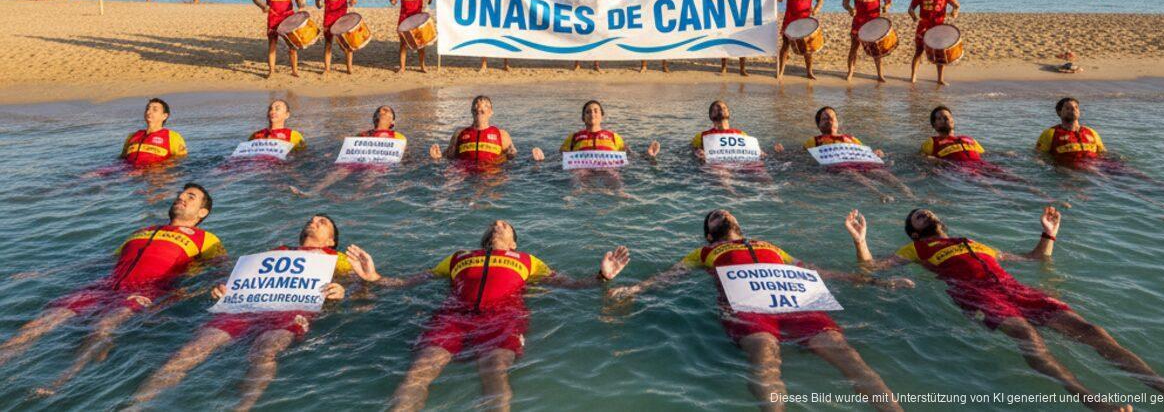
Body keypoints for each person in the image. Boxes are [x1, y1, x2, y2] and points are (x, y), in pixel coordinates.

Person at [845, 207, 1164, 411]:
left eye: (928, 212)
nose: (925, 214)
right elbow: (872, 268)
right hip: (977, 294)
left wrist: (1048, 235)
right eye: (918, 217)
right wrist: (861, 242)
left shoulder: (973, 241)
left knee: (1092, 331)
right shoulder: (914, 252)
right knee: (1027, 336)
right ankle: (1091, 400)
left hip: (1017, 289)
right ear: (914, 233)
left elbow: (1032, 259)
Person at [610, 210, 906, 412]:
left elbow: (814, 270)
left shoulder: (772, 246)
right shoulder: (703, 252)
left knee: (848, 355)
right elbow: (670, 276)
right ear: (709, 236)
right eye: (714, 217)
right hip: (747, 305)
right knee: (766, 355)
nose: (722, 214)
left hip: (796, 301)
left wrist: (873, 281)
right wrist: (635, 289)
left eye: (725, 212)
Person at [346, 220, 629, 411]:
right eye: (493, 225)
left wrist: (601, 277)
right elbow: (412, 281)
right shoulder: (457, 257)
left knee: (494, 372)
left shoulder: (528, 261)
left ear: (514, 243)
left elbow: (570, 285)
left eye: (504, 225)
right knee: (417, 374)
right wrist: (374, 277)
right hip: (452, 315)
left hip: (502, 316)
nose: (497, 225)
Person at [128, 214, 378, 411]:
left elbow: (363, 290)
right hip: (245, 307)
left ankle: (242, 407)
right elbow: (239, 281)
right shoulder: (274, 252)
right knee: (190, 350)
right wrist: (223, 289)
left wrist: (343, 290)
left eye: (321, 222)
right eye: (310, 220)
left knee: (265, 349)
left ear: (331, 240)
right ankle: (135, 406)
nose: (313, 222)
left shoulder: (338, 259)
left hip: (291, 309)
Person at [0, 185, 222, 395]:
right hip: (105, 285)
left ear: (202, 212)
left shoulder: (206, 239)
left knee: (104, 324)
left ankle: (61, 380)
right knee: (46, 319)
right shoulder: (144, 230)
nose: (180, 197)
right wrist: (44, 272)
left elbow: (220, 268)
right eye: (180, 194)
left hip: (147, 289)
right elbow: (104, 261)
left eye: (190, 197)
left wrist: (221, 287)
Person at [805, 107, 913, 202]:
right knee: (852, 174)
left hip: (862, 164)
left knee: (883, 174)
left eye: (833, 117)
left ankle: (910, 196)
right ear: (818, 125)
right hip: (839, 167)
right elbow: (805, 157)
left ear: (837, 122)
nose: (830, 120)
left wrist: (877, 153)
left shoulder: (851, 138)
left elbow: (866, 152)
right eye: (825, 118)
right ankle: (879, 195)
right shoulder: (814, 141)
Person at [530, 100, 660, 161]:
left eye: (596, 111)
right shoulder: (574, 137)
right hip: (581, 167)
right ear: (583, 118)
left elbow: (629, 154)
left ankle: (618, 193)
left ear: (602, 116)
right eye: (588, 112)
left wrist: (647, 155)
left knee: (613, 177)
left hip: (609, 167)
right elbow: (560, 157)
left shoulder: (613, 136)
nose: (592, 113)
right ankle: (576, 194)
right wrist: (542, 159)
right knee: (579, 177)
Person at [429, 95, 520, 164]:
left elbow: (512, 156)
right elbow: (449, 156)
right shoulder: (459, 133)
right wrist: (438, 158)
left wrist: (532, 161)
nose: (479, 109)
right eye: (476, 110)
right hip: (464, 174)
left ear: (491, 112)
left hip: (491, 173)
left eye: (483, 109)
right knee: (449, 185)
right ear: (472, 111)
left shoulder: (501, 134)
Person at [908, 0, 960, 85]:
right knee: (918, 51)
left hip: (939, 28)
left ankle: (940, 79)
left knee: (940, 54)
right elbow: (911, 9)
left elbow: (956, 5)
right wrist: (914, 17)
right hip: (923, 27)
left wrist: (955, 12)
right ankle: (913, 77)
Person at [842, 0, 891, 82]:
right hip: (858, 22)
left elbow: (888, 0)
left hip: (874, 23)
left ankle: (880, 75)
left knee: (876, 49)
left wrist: (886, 6)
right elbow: (845, 2)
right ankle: (850, 73)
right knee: (854, 48)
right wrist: (849, 9)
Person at [252, 0, 303, 78]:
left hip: (288, 17)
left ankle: (294, 70)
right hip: (273, 17)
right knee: (272, 44)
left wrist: (301, 3)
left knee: (292, 45)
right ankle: (271, 71)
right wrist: (263, 5)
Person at [774, 0, 823, 80]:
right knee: (785, 46)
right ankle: (780, 72)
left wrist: (816, 9)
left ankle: (809, 72)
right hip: (789, 20)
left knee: (808, 49)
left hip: (805, 21)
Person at [691, 100, 780, 160]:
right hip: (716, 166)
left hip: (741, 165)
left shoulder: (741, 134)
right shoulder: (701, 136)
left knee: (763, 175)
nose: (720, 108)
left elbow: (756, 153)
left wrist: (773, 152)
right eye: (716, 108)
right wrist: (697, 152)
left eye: (724, 107)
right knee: (722, 173)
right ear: (711, 116)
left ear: (728, 113)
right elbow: (692, 152)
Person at [1035, 97, 1107, 166]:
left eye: (1076, 107)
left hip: (1097, 168)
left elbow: (1103, 153)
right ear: (1059, 112)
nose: (1073, 109)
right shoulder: (1050, 133)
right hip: (1069, 171)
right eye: (1067, 108)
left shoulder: (1091, 132)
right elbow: (1039, 156)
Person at [316, 0, 357, 75]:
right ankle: (327, 69)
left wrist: (352, 1)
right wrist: (319, 4)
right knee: (328, 44)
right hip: (328, 18)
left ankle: (349, 68)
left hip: (342, 18)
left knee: (347, 44)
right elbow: (317, 0)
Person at [390, 0, 432, 73]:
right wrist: (393, 0)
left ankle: (423, 66)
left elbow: (428, 0)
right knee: (403, 44)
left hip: (417, 18)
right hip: (404, 18)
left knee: (421, 44)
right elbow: (392, 0)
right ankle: (402, 67)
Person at [121, 97, 188, 166]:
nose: (148, 112)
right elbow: (122, 159)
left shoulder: (173, 137)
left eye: (154, 110)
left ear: (164, 116)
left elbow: (182, 159)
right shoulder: (132, 136)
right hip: (128, 173)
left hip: (155, 174)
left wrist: (159, 167)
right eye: (147, 109)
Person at [634, 0, 670, 73]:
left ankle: (664, 65)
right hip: (646, 15)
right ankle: (644, 65)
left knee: (663, 40)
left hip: (661, 16)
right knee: (644, 40)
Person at [716, 0, 751, 76]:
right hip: (726, 17)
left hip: (741, 17)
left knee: (743, 41)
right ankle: (724, 67)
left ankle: (742, 68)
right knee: (725, 42)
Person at [569, 0, 603, 72]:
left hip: (592, 18)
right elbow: (568, 1)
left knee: (595, 40)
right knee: (578, 40)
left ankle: (596, 64)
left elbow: (600, 3)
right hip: (578, 18)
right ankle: (577, 64)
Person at [920, 105, 985, 163]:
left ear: (953, 121)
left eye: (949, 116)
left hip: (983, 166)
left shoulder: (969, 139)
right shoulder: (932, 142)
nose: (946, 119)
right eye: (940, 118)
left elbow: (985, 155)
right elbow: (921, 158)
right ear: (934, 125)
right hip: (958, 170)